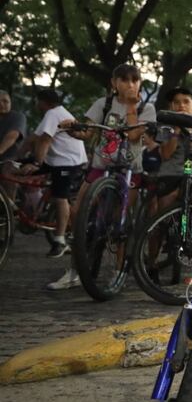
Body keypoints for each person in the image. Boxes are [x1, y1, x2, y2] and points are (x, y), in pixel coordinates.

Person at [50, 63, 156, 290]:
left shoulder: (147, 107)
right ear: (114, 83)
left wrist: (130, 108)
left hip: (130, 171)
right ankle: (74, 271)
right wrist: (71, 127)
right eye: (125, 80)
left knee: (121, 221)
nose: (130, 84)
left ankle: (118, 272)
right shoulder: (104, 103)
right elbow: (88, 133)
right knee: (78, 212)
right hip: (101, 166)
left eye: (134, 80)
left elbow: (136, 135)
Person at [18, 89, 87, 265]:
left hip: (68, 162)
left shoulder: (53, 114)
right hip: (56, 160)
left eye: (37, 101)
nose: (35, 105)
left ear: (43, 102)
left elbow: (44, 141)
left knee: (60, 197)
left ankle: (60, 240)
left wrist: (36, 163)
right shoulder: (55, 113)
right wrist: (15, 160)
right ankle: (27, 211)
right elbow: (33, 139)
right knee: (18, 172)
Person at [0, 89, 27, 198]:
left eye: (5, 101)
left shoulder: (17, 117)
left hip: (12, 158)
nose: (2, 104)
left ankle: (8, 211)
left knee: (8, 175)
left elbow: (12, 136)